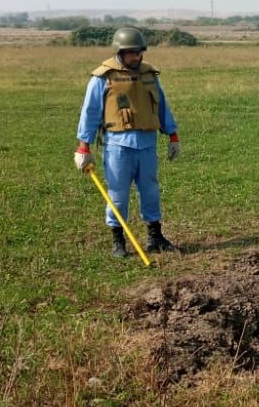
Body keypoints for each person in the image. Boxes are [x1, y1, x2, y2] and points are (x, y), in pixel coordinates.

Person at [73, 27, 181, 257]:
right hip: (118, 147)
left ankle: (155, 237)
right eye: (131, 52)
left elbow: (161, 106)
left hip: (148, 144)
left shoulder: (149, 74)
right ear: (120, 52)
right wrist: (84, 146)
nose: (137, 57)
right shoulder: (103, 77)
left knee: (150, 190)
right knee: (118, 195)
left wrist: (173, 136)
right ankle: (118, 240)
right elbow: (90, 112)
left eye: (139, 52)